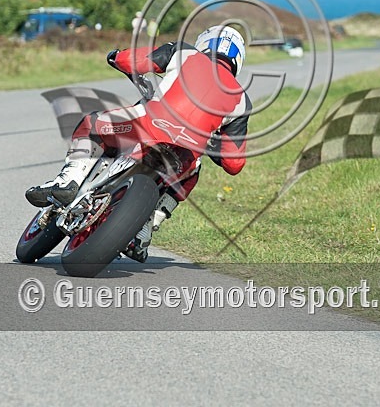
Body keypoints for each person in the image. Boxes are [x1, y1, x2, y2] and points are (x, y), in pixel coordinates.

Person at [25, 25, 251, 262]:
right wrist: (212, 144)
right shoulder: (242, 101)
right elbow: (234, 163)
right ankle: (144, 230)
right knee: (192, 172)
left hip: (146, 125)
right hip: (184, 153)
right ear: (238, 61)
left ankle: (68, 181)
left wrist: (117, 56)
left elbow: (134, 60)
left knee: (91, 124)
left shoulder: (184, 52)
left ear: (205, 43)